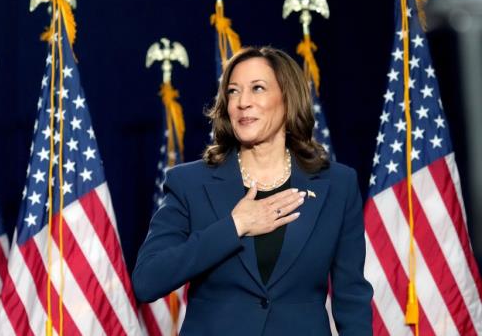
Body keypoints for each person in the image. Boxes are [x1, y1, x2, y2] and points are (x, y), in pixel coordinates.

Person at [132, 46, 373, 335]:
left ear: (288, 98)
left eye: (257, 88)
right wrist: (235, 226)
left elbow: (352, 301)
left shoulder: (337, 185)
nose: (242, 102)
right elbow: (148, 280)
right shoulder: (190, 183)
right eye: (233, 91)